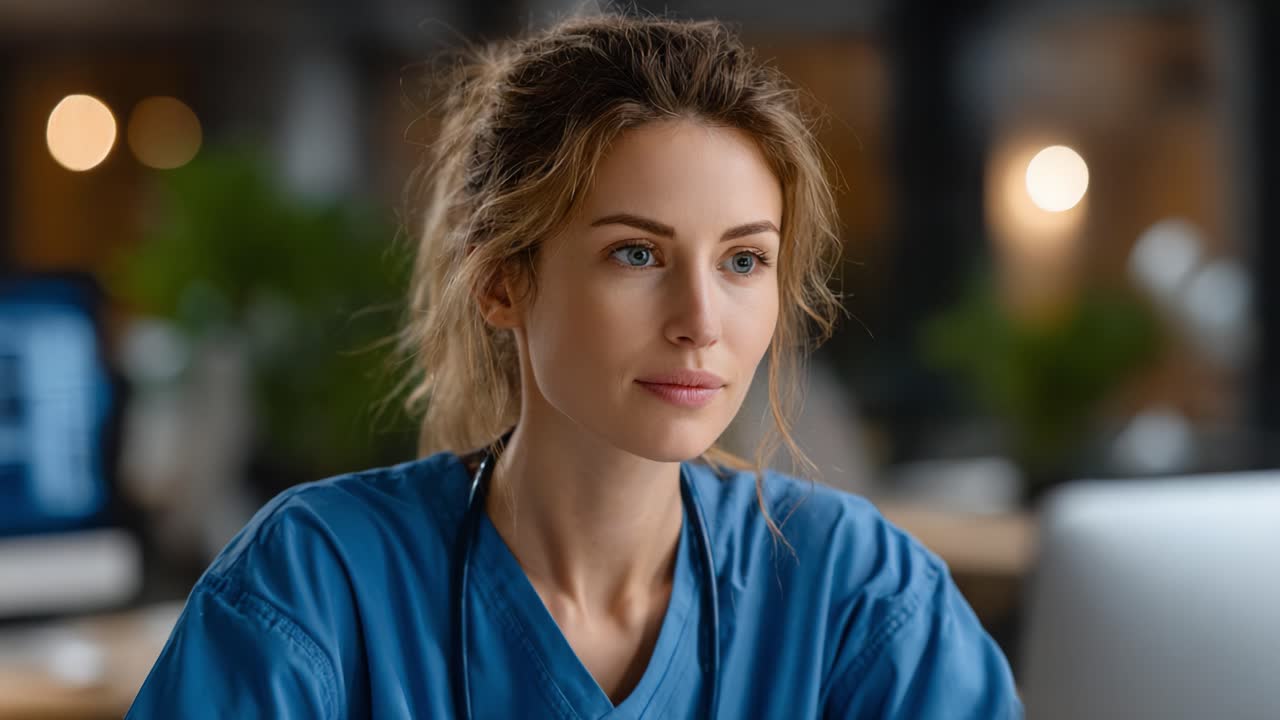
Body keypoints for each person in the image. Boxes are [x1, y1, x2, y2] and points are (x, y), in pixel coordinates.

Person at [127, 12, 1022, 719]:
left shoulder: (860, 596)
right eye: (636, 254)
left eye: (743, 260)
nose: (700, 322)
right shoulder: (314, 587)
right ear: (502, 283)